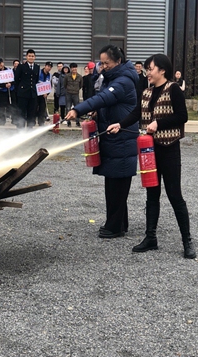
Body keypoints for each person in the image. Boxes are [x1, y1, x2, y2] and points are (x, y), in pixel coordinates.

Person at [107, 53, 196, 259]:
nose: (147, 71)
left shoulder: (173, 89)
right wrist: (120, 125)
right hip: (150, 151)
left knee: (175, 195)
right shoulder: (146, 91)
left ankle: (187, 241)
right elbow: (136, 113)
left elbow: (183, 116)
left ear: (162, 70)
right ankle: (150, 238)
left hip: (169, 149)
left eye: (150, 68)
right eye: (147, 68)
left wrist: (159, 123)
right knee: (151, 195)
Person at [65, 45, 139, 238]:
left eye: (107, 63)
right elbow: (107, 102)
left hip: (121, 139)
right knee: (114, 184)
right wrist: (98, 113)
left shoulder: (123, 81)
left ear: (118, 62)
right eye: (102, 62)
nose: (103, 66)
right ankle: (119, 224)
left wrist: (78, 109)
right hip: (113, 139)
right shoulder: (112, 77)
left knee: (117, 186)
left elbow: (105, 97)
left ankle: (114, 227)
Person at [14, 48, 40, 128]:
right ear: (26, 57)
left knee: (31, 112)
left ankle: (30, 128)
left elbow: (36, 80)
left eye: (32, 56)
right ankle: (20, 128)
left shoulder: (37, 67)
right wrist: (19, 90)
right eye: (29, 56)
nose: (31, 58)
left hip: (32, 94)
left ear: (34, 57)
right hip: (23, 93)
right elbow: (16, 79)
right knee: (22, 112)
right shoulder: (21, 67)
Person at [0, 58, 16, 125]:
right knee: (1, 107)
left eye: (0, 63)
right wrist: (4, 85)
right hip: (2, 91)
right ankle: (2, 120)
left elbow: (14, 80)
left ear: (3, 63)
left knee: (11, 105)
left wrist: (10, 84)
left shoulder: (9, 70)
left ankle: (13, 119)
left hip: (10, 90)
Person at [64, 62, 83, 127]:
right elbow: (65, 85)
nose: (74, 69)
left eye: (75, 67)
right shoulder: (67, 76)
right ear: (71, 68)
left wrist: (76, 89)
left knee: (77, 108)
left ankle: (77, 122)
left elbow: (81, 85)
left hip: (76, 94)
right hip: (68, 94)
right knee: (68, 107)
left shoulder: (79, 77)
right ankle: (68, 122)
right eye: (72, 68)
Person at [36, 61, 52, 126]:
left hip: (44, 95)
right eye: (48, 66)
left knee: (42, 109)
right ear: (45, 66)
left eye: (50, 67)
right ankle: (32, 121)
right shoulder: (39, 72)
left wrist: (47, 93)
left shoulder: (49, 75)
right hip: (37, 94)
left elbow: (49, 86)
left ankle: (41, 122)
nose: (49, 68)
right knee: (34, 108)